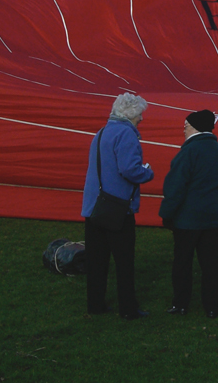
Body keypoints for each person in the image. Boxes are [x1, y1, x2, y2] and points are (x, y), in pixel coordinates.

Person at [80, 93, 156, 320]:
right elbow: (129, 169)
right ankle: (128, 308)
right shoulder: (126, 134)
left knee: (96, 261)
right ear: (132, 114)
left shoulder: (101, 133)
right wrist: (147, 172)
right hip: (118, 209)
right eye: (140, 113)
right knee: (124, 263)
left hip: (94, 207)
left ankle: (95, 304)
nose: (142, 118)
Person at [159, 109, 218, 318]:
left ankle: (181, 304)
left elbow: (175, 188)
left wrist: (167, 214)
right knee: (211, 264)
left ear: (194, 127)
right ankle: (212, 306)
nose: (183, 129)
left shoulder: (187, 153)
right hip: (214, 219)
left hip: (187, 220)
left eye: (186, 125)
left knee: (182, 262)